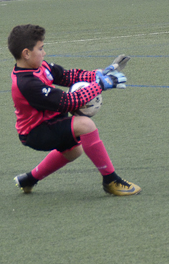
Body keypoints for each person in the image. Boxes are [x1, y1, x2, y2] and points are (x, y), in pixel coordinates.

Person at [8, 24, 140, 196]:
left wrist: (99, 74)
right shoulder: (26, 83)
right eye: (40, 49)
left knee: (73, 151)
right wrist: (99, 85)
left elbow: (68, 76)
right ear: (26, 53)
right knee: (85, 125)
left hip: (50, 122)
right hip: (36, 132)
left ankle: (29, 179)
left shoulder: (40, 67)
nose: (44, 53)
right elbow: (67, 102)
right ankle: (111, 181)